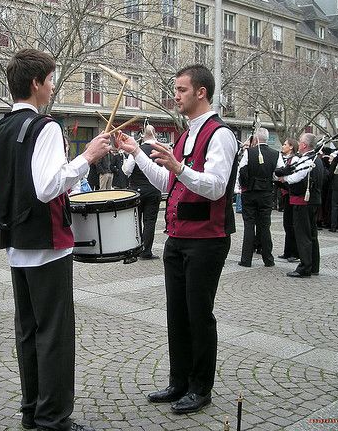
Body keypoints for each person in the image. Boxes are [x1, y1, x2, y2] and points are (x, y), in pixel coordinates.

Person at [0, 48, 110, 431]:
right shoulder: (46, 126)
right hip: (46, 242)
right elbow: (46, 187)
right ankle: (53, 417)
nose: (54, 86)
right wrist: (87, 157)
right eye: (51, 79)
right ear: (37, 83)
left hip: (16, 242)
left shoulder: (0, 129)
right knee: (55, 334)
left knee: (28, 332)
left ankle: (32, 411)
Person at [116, 64, 238, 414]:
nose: (176, 94)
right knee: (177, 313)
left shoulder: (220, 135)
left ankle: (201, 387)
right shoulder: (186, 135)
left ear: (201, 92)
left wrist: (178, 167)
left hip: (207, 239)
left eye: (182, 89)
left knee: (199, 315)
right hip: (179, 238)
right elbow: (169, 184)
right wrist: (136, 153)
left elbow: (215, 186)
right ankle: (179, 380)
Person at [276, 133, 325, 278]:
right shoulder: (315, 159)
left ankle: (305, 267)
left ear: (304, 145)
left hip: (303, 201)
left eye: (300, 142)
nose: (299, 143)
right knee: (311, 234)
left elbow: (296, 177)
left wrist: (283, 178)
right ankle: (313, 265)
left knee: (303, 235)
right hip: (312, 200)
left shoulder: (308, 159)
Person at [237, 127, 283, 267]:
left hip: (250, 192)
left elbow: (242, 171)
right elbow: (278, 173)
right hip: (266, 193)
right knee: (264, 226)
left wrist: (245, 185)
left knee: (249, 225)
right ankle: (268, 259)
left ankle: (246, 259)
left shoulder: (249, 153)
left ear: (255, 139)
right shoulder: (276, 154)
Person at [122, 124, 162, 260]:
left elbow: (127, 170)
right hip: (153, 190)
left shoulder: (137, 150)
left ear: (143, 135)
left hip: (137, 190)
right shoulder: (161, 149)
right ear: (155, 133)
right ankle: (147, 251)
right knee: (150, 221)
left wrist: (123, 165)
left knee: (136, 220)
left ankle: (136, 249)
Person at [277, 138, 299, 262]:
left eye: (285, 144)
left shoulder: (294, 159)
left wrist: (283, 179)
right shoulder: (287, 159)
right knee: (287, 224)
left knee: (291, 224)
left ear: (291, 147)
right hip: (286, 193)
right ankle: (287, 251)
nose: (283, 146)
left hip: (291, 193)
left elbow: (291, 176)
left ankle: (293, 252)